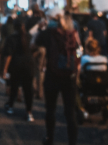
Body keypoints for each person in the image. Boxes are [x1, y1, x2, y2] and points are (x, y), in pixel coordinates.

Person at [35, 8, 81, 145]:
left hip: (52, 75)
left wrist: (40, 28)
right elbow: (79, 51)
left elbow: (33, 44)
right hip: (69, 76)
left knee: (50, 110)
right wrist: (76, 66)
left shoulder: (48, 33)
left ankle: (50, 138)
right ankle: (72, 142)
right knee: (70, 112)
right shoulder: (73, 33)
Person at [2, 18, 37, 121]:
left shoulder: (11, 38)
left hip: (16, 65)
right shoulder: (29, 37)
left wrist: (5, 69)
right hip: (29, 65)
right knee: (28, 89)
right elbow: (34, 49)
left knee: (14, 86)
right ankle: (29, 112)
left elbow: (8, 55)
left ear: (14, 27)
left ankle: (11, 106)